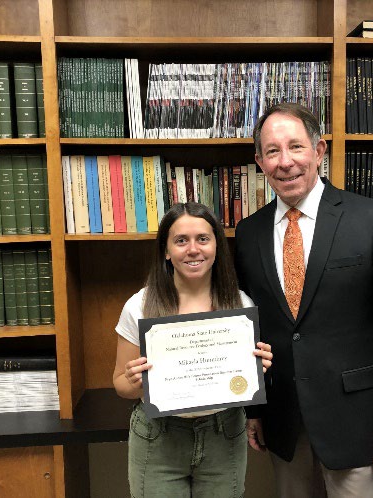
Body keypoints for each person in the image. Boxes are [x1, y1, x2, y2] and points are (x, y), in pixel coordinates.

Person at [234, 102, 373, 498]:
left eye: (296, 147)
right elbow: (248, 329)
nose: (285, 162)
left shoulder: (371, 220)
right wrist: (253, 409)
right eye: (272, 151)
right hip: (284, 422)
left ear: (319, 150)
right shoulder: (248, 234)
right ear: (259, 161)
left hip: (359, 425)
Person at [113, 202, 272, 498]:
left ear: (216, 246)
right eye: (181, 240)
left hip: (223, 434)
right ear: (166, 250)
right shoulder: (140, 306)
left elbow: (246, 381)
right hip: (158, 435)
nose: (193, 249)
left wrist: (257, 371)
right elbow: (120, 385)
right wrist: (136, 381)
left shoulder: (240, 306)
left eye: (203, 239)